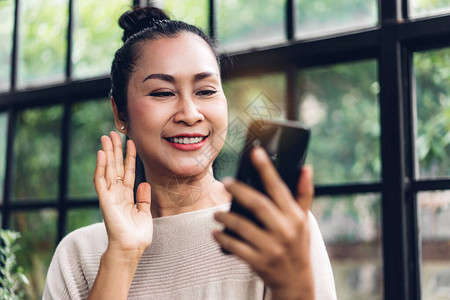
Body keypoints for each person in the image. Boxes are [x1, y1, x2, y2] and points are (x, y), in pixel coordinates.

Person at [43, 5, 337, 300]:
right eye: (163, 93)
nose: (190, 113)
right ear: (120, 113)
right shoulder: (79, 254)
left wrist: (293, 284)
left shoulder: (275, 230)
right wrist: (121, 255)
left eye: (206, 91)